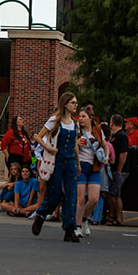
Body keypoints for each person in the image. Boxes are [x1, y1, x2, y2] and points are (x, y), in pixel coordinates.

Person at [31, 92, 81, 242]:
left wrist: (78, 163)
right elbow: (37, 137)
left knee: (71, 194)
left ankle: (70, 229)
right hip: (56, 161)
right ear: (65, 104)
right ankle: (41, 214)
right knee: (56, 194)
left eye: (76, 103)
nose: (75, 105)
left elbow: (75, 145)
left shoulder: (75, 123)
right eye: (73, 102)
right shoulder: (54, 120)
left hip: (70, 161)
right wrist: (48, 148)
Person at [75, 106, 104, 237]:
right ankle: (77, 225)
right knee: (80, 199)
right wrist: (76, 143)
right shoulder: (77, 131)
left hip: (94, 167)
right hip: (81, 164)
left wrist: (107, 156)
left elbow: (104, 145)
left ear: (91, 118)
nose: (81, 119)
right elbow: (71, 146)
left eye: (83, 116)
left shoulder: (97, 130)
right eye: (80, 116)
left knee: (94, 199)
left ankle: (85, 218)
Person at [105, 114, 130, 226]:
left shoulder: (121, 136)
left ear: (112, 123)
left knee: (112, 193)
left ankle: (114, 216)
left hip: (120, 170)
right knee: (117, 194)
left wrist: (119, 169)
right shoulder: (115, 135)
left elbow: (124, 153)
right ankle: (119, 218)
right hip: (115, 169)